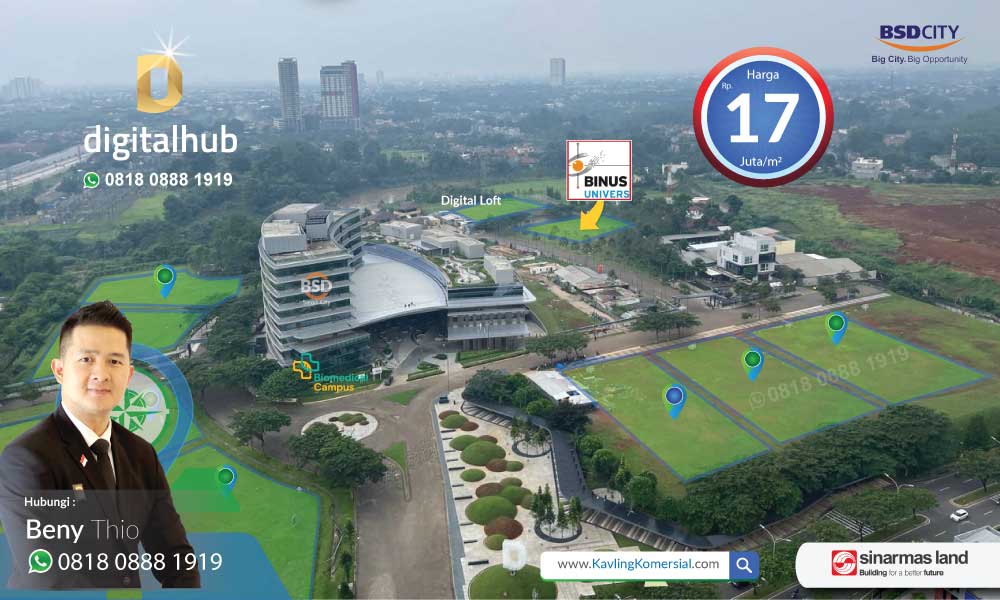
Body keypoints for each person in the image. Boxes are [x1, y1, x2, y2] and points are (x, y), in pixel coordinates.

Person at [0, 301, 200, 589]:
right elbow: (49, 578)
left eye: (114, 362)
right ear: (59, 370)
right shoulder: (26, 459)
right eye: (86, 359)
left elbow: (176, 558)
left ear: (128, 375)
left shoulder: (141, 454)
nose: (101, 374)